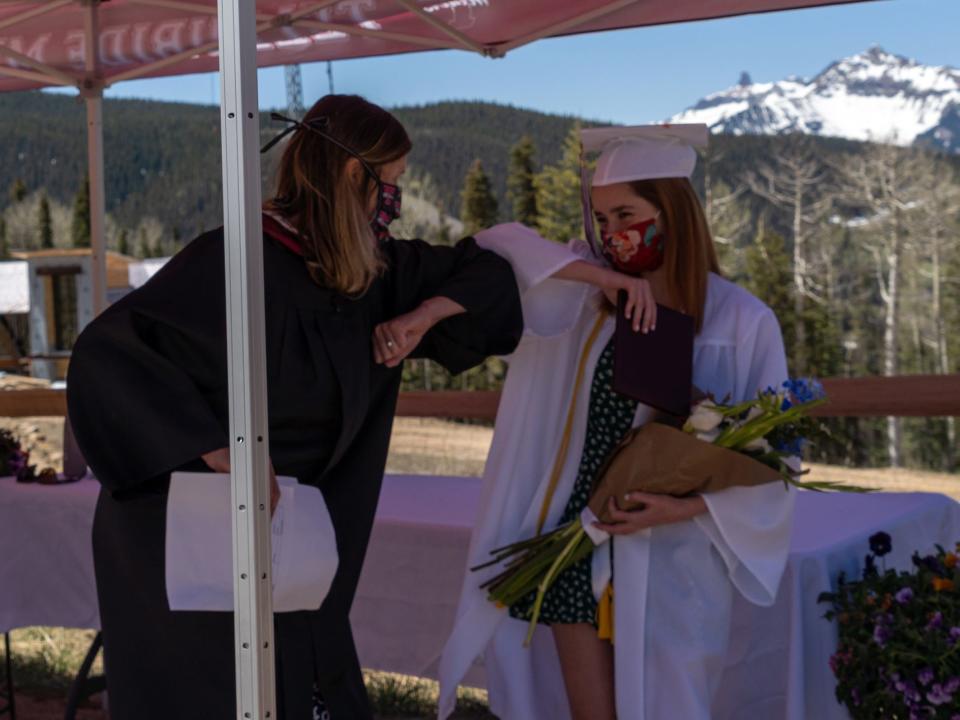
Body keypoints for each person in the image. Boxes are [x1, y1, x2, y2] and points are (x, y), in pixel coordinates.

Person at [66, 94, 523, 720]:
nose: (394, 199)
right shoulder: (236, 260)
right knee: (209, 695)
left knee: (304, 683)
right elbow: (111, 356)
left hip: (295, 544)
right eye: (390, 183)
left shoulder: (370, 273)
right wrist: (226, 454)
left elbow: (493, 275)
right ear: (352, 176)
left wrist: (425, 315)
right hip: (186, 540)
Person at [438, 125, 795, 720]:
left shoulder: (741, 322)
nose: (611, 234)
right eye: (601, 219)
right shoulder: (582, 305)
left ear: (673, 213)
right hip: (577, 540)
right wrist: (606, 279)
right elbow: (494, 245)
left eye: (626, 213)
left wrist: (686, 508)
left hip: (671, 553)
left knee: (667, 700)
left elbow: (776, 463)